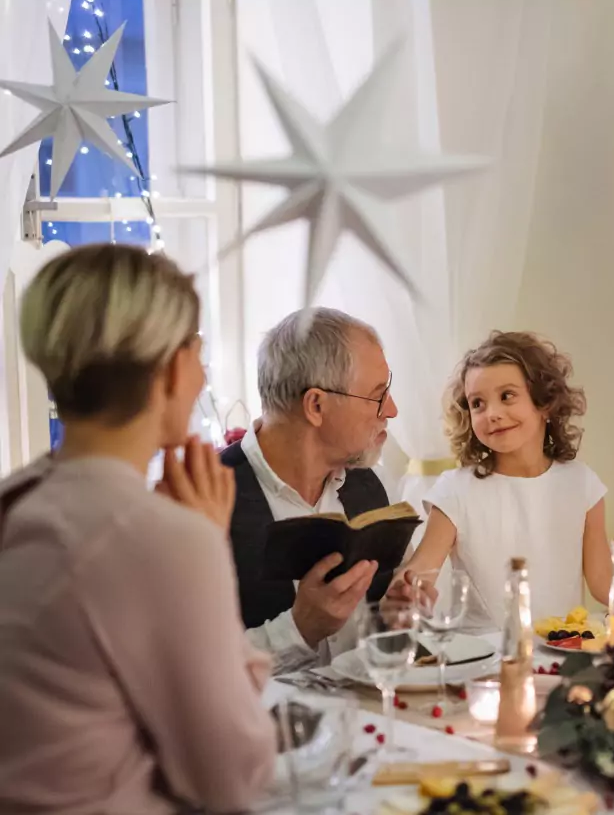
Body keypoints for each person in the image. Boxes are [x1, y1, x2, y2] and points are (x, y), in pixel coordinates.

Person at [0, 244, 275, 813]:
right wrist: (205, 547)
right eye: (198, 352)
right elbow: (235, 779)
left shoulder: (18, 500)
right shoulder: (162, 538)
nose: (202, 373)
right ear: (172, 369)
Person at [395, 331, 611, 627]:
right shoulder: (454, 490)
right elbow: (421, 569)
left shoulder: (582, 484)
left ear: (544, 403)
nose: (492, 414)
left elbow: (602, 582)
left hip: (563, 652)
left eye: (507, 396)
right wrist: (406, 591)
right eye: (478, 404)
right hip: (485, 659)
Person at [226, 307, 398, 671]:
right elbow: (187, 676)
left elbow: (388, 637)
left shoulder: (372, 487)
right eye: (378, 396)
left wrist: (400, 615)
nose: (392, 410)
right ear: (316, 405)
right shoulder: (205, 500)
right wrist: (299, 628)